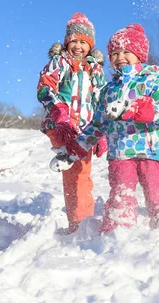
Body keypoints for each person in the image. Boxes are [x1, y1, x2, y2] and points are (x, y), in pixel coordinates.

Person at [53, 24, 159, 233]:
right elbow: (97, 125)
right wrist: (73, 150)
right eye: (115, 53)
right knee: (121, 192)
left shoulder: (153, 80)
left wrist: (142, 109)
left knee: (157, 190)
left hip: (150, 152)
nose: (120, 57)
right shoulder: (109, 90)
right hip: (120, 154)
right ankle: (118, 229)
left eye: (126, 52)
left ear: (139, 54)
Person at [37, 13, 107, 233]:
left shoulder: (95, 70)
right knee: (77, 174)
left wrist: (102, 132)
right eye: (74, 41)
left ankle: (81, 220)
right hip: (63, 126)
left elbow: (102, 100)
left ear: (91, 45)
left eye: (83, 42)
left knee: (80, 173)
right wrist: (60, 114)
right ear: (67, 42)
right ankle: (79, 223)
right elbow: (45, 88)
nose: (78, 46)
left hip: (86, 129)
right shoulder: (60, 62)